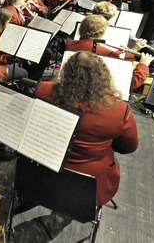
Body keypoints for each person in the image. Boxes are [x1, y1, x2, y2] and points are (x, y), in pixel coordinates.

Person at [35, 51, 139, 205]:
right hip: (85, 185)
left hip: (40, 171)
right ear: (102, 77)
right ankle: (57, 219)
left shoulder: (43, 90)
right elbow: (128, 147)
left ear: (66, 72)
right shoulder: (118, 110)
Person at [65, 14, 152, 90]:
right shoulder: (105, 52)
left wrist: (118, 53)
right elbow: (118, 65)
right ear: (101, 33)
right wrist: (140, 60)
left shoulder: (70, 44)